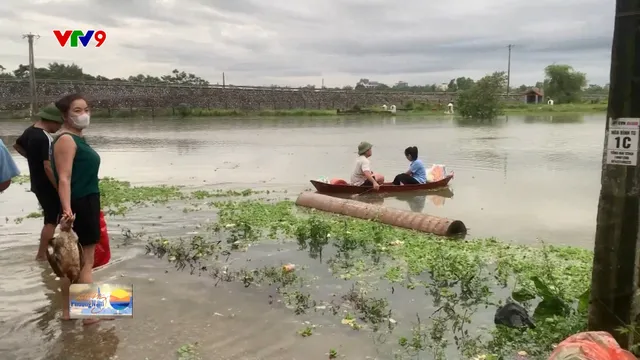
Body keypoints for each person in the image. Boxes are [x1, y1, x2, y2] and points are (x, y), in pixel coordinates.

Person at [50, 93, 104, 324]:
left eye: (86, 109)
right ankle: (89, 316)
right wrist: (67, 211)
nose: (84, 114)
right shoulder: (66, 140)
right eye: (77, 110)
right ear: (64, 115)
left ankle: (68, 313)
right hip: (79, 204)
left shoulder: (76, 139)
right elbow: (64, 178)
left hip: (81, 202)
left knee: (72, 263)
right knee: (85, 262)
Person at [14, 103, 64, 260]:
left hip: (36, 183)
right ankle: (42, 255)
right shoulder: (45, 138)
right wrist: (58, 186)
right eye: (58, 124)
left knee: (50, 217)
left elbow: (17, 146)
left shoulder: (30, 131)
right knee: (52, 220)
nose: (59, 128)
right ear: (51, 120)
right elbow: (48, 166)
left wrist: (32, 159)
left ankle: (46, 252)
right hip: (47, 184)